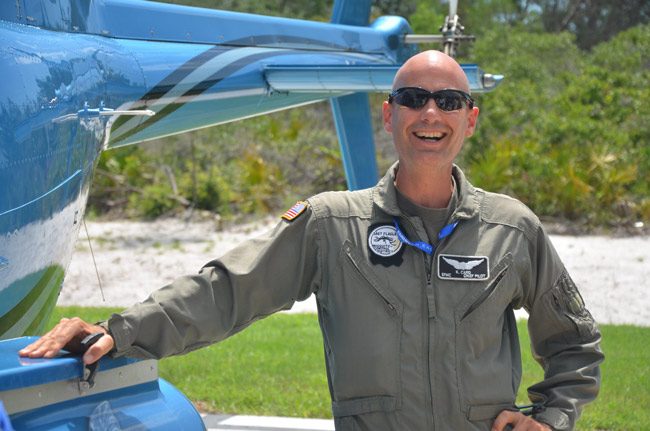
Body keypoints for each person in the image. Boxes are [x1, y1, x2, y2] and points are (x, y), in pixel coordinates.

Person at [20, 50, 603, 431]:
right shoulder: (331, 224)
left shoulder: (512, 228)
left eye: (448, 100)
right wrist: (118, 332)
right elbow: (227, 291)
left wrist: (551, 418)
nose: (431, 111)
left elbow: (576, 345)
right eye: (413, 98)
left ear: (469, 119)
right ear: (388, 114)